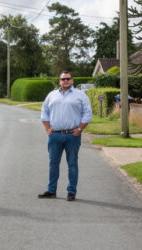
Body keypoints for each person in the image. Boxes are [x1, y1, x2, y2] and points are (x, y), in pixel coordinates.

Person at [38, 71, 92, 201]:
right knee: (53, 163)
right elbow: (44, 112)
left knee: (72, 164)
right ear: (59, 81)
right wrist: (47, 128)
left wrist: (79, 129)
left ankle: (71, 192)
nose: (66, 81)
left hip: (72, 135)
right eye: (63, 79)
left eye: (68, 79)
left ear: (72, 81)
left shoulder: (81, 96)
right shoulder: (52, 95)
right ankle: (51, 191)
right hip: (54, 135)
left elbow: (87, 113)